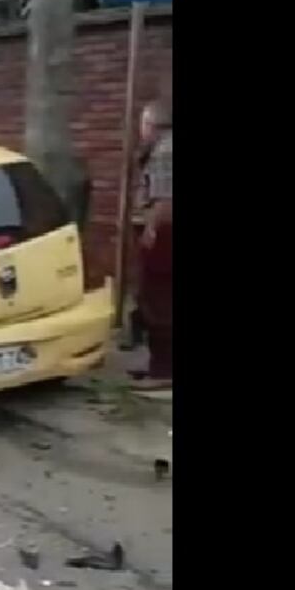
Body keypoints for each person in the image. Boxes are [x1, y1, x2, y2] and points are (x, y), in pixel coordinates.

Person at [131, 99, 173, 388]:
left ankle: (163, 370)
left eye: (142, 123)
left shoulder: (165, 152)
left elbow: (165, 199)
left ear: (152, 125)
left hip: (164, 233)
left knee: (158, 299)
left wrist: (151, 230)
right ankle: (158, 364)